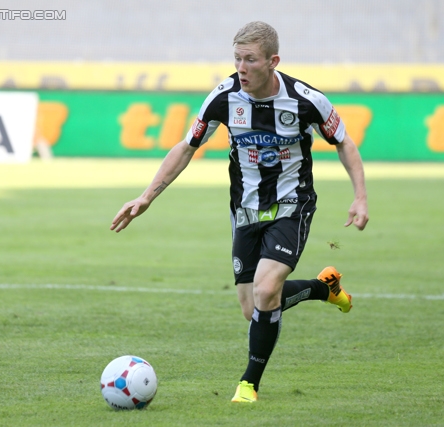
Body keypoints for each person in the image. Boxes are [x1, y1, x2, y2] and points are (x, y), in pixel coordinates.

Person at [110, 21, 368, 403]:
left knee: (266, 291)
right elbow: (186, 146)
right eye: (237, 59)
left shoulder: (306, 101)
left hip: (291, 205)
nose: (241, 68)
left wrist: (360, 196)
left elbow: (344, 144)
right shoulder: (224, 97)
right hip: (244, 210)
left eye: (250, 60)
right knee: (253, 310)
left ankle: (248, 384)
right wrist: (148, 196)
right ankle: (321, 287)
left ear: (273, 61)